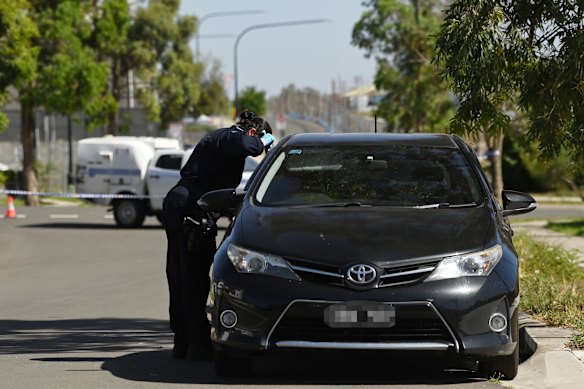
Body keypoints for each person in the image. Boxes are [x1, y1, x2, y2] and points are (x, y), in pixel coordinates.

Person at [163, 110, 275, 360]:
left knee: (181, 277)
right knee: (192, 280)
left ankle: (183, 341)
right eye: (258, 137)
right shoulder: (232, 137)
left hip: (182, 206)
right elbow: (247, 144)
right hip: (190, 210)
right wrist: (265, 141)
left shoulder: (222, 139)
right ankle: (197, 344)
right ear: (253, 131)